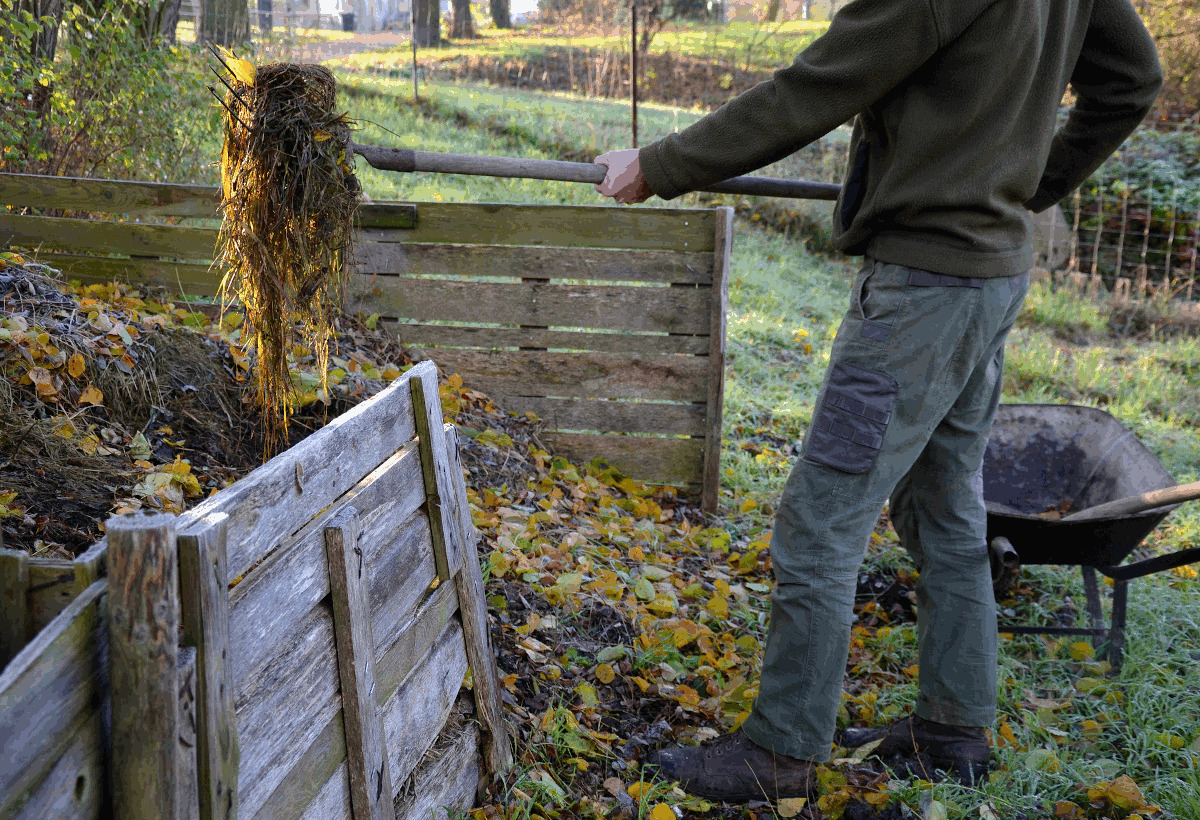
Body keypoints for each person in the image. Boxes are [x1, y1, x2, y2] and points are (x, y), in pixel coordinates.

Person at [592, 0, 1162, 803]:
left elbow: (812, 88)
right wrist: (1030, 184)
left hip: (921, 298)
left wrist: (661, 162)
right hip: (990, 277)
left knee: (821, 519)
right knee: (945, 506)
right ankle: (954, 729)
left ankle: (783, 749)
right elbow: (1134, 79)